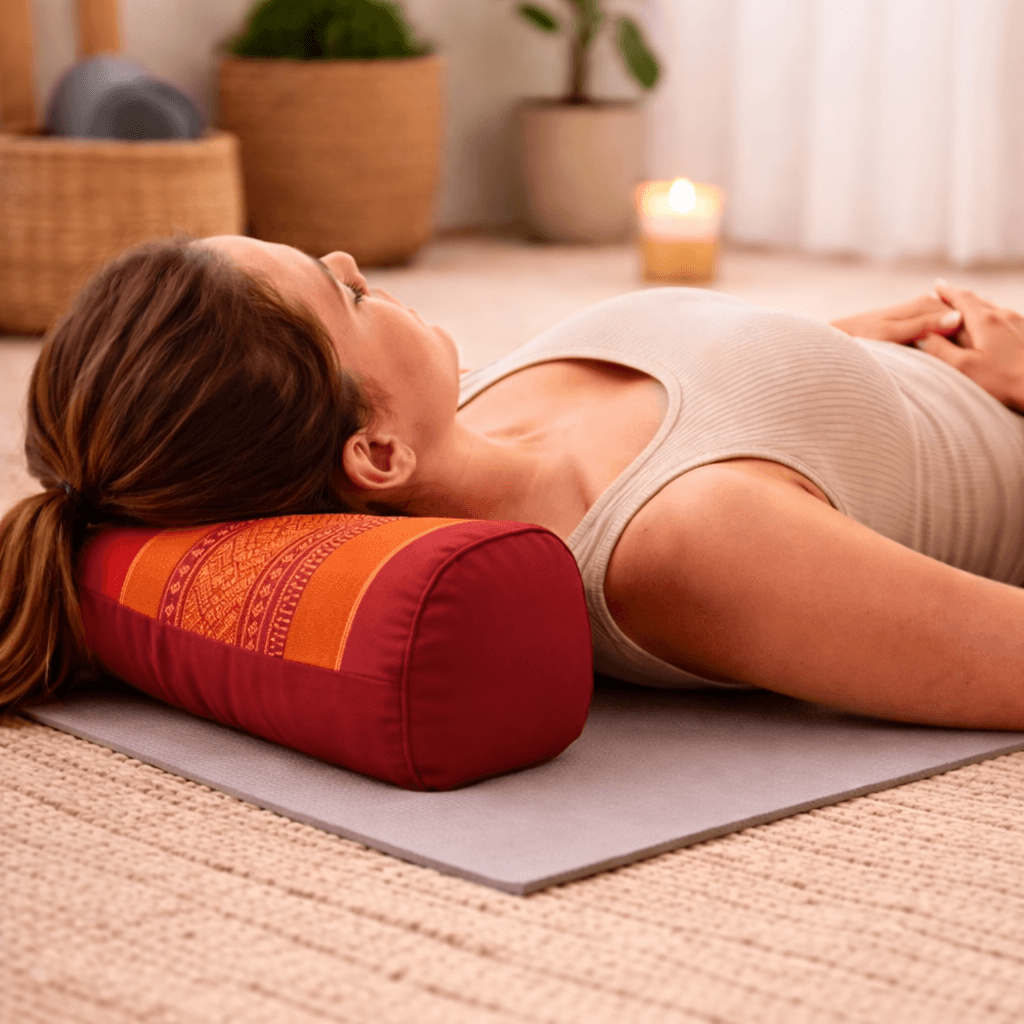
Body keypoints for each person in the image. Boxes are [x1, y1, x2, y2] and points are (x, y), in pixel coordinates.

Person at [3, 234, 1024, 731]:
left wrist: (849, 343)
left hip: (957, 355)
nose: (354, 258)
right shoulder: (680, 539)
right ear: (376, 455)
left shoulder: (463, 415)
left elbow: (746, 405)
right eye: (344, 292)